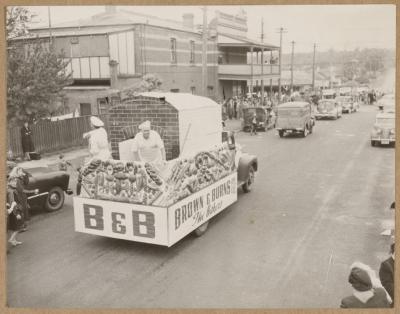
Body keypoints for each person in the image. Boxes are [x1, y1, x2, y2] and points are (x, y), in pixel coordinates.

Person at [7, 177, 25, 246]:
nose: (15, 183)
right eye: (13, 182)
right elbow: (12, 202)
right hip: (15, 211)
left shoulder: (9, 189)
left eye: (15, 182)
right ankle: (11, 239)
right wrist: (16, 213)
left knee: (13, 227)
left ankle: (14, 241)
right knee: (18, 227)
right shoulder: (11, 191)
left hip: (11, 212)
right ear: (9, 182)